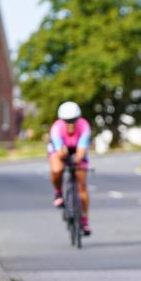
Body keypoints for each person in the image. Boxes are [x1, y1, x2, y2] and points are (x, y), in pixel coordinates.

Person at [47, 101, 92, 236]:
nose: (71, 124)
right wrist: (64, 155)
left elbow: (82, 151)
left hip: (78, 148)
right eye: (67, 121)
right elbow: (60, 151)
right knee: (57, 170)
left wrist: (78, 159)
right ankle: (58, 192)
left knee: (82, 186)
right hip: (60, 149)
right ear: (62, 120)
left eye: (73, 120)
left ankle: (84, 220)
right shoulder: (56, 128)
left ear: (78, 119)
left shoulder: (84, 126)